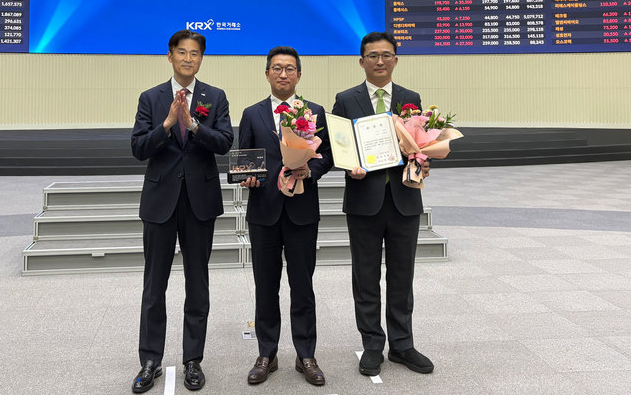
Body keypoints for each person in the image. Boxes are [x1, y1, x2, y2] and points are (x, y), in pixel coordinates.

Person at [130, 30, 234, 393]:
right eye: (182, 52)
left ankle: (193, 360)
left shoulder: (215, 97)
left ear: (201, 58)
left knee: (197, 283)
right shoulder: (151, 98)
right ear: (170, 56)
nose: (188, 59)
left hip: (199, 202)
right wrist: (167, 125)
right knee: (153, 285)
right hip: (160, 202)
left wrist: (193, 125)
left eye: (195, 54)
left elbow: (224, 143)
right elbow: (138, 148)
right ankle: (150, 360)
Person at [331, 31, 434, 377]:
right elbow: (336, 146)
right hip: (364, 200)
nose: (380, 61)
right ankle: (373, 344)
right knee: (366, 276)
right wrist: (349, 165)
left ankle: (402, 344)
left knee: (402, 276)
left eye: (386, 55)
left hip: (404, 198)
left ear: (395, 60)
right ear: (361, 61)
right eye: (373, 56)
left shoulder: (410, 98)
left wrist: (423, 161)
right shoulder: (346, 99)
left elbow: (420, 144)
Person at [238, 46, 334, 387]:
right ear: (267, 74)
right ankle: (267, 353)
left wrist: (311, 171)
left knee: (302, 286)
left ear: (299, 75)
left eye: (289, 68)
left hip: (302, 212)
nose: (283, 74)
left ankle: (306, 354)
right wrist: (247, 177)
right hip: (263, 211)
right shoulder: (252, 114)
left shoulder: (315, 111)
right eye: (277, 68)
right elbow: (244, 158)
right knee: (265, 287)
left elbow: (327, 155)